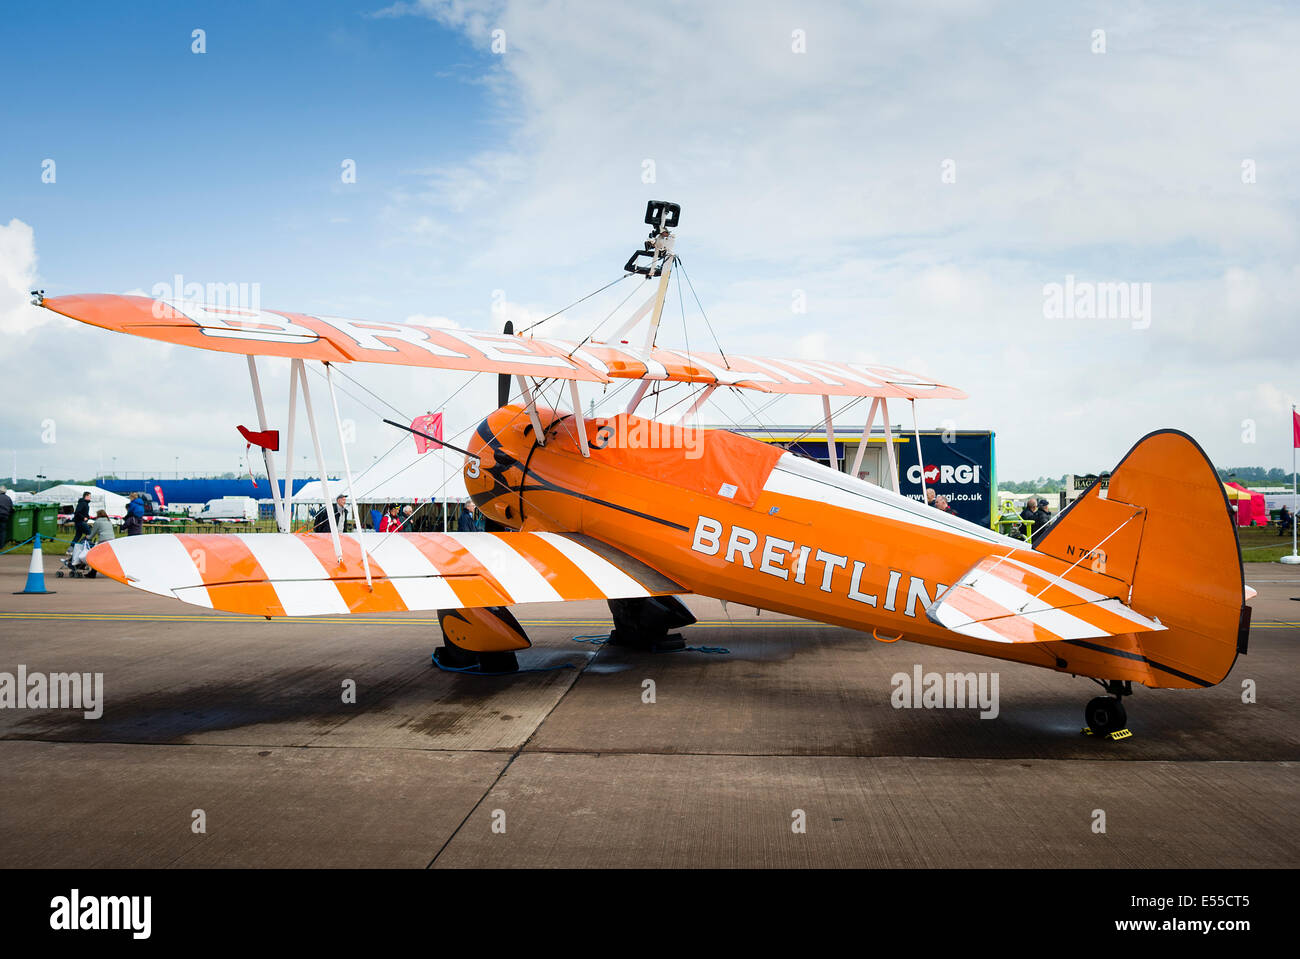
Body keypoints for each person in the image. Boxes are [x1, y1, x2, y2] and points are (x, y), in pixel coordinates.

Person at [85, 509, 115, 578]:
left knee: (96, 556)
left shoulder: (97, 522)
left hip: (103, 540)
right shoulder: (109, 521)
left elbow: (92, 534)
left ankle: (93, 573)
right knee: (107, 557)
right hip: (111, 540)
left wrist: (87, 537)